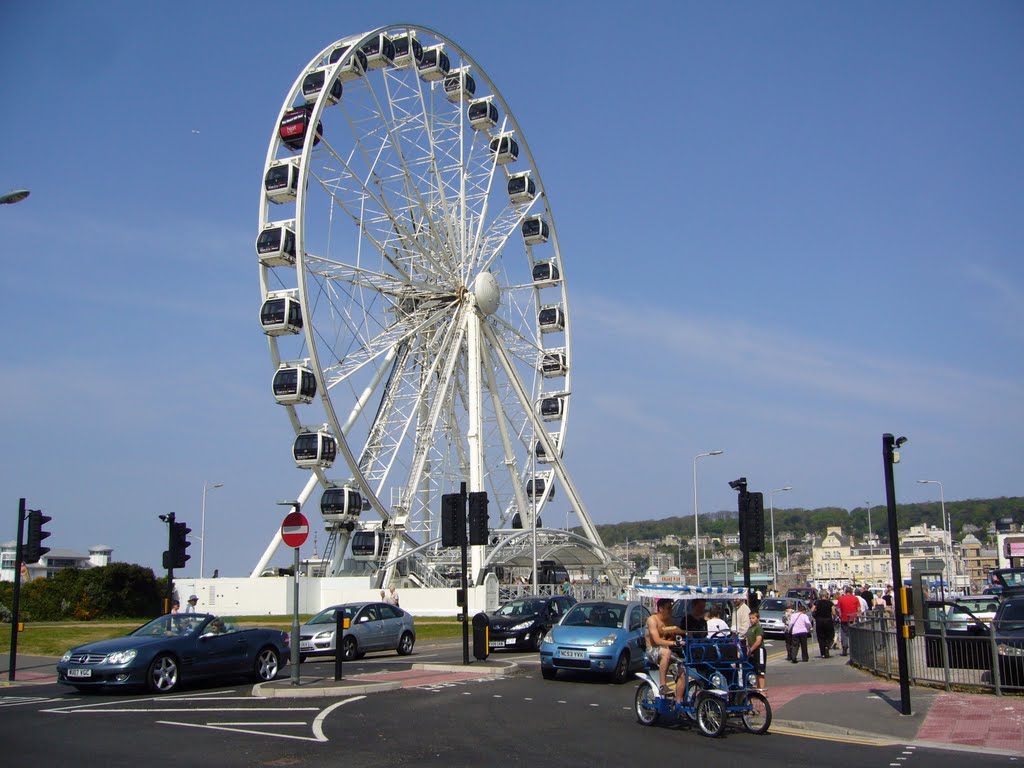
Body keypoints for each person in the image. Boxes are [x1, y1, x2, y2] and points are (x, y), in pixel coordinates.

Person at [645, 598, 681, 695]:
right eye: (668, 608)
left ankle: (679, 697)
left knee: (684, 664)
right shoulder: (652, 620)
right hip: (653, 650)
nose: (671, 611)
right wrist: (673, 643)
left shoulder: (668, 620)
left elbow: (671, 635)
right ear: (660, 608)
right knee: (666, 653)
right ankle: (663, 686)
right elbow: (657, 641)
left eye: (671, 608)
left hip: (665, 649)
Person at [836, 585, 861, 656]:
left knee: (844, 633)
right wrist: (859, 617)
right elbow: (858, 609)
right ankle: (854, 649)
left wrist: (840, 615)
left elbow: (838, 609)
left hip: (844, 619)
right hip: (853, 619)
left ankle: (845, 645)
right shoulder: (855, 598)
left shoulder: (841, 599)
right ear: (852, 592)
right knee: (853, 634)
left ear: (845, 592)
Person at [746, 611, 766, 691]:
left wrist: (751, 649)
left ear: (758, 619)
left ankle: (762, 690)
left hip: (759, 650)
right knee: (754, 670)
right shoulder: (750, 629)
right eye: (750, 618)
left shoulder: (758, 628)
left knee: (760, 671)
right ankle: (756, 688)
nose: (751, 620)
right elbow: (747, 640)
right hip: (752, 652)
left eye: (753, 618)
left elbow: (758, 641)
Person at [812, 591, 835, 658]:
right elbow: (833, 613)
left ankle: (822, 653)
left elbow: (812, 610)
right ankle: (827, 646)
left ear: (820, 596)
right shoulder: (830, 603)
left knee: (821, 637)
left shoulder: (817, 602)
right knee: (830, 635)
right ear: (827, 596)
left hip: (819, 621)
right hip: (828, 621)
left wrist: (815, 615)